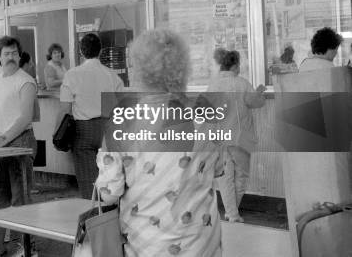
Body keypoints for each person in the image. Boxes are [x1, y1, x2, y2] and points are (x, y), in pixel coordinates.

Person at [95, 29, 223, 257]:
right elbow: (218, 169)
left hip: (147, 245)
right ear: (182, 69)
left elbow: (109, 192)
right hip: (201, 243)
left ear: (141, 71)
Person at [0, 36, 38, 257]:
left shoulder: (26, 81)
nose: (10, 57)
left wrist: (3, 138)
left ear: (20, 55)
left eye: (14, 53)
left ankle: (26, 248)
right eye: (6, 53)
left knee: (22, 199)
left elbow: (25, 117)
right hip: (3, 144)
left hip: (21, 143)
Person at [59, 33, 123, 199]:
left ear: (81, 51)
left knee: (88, 184)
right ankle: (109, 217)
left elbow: (65, 109)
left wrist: (56, 134)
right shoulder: (112, 75)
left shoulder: (72, 75)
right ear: (100, 51)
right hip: (108, 132)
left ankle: (92, 219)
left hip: (83, 132)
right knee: (110, 181)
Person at [207, 49, 266, 223]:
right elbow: (256, 103)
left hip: (220, 139)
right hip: (241, 139)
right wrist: (259, 93)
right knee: (241, 177)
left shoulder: (213, 85)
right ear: (235, 66)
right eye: (239, 65)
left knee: (225, 179)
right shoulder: (242, 83)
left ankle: (232, 213)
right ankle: (233, 212)